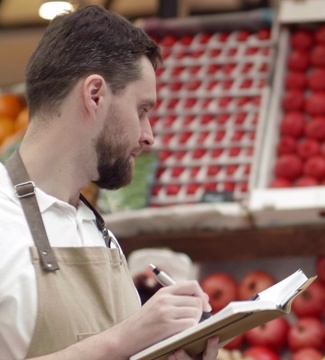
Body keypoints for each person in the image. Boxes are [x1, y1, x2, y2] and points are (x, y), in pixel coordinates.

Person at [0, 5, 219, 360]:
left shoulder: (97, 232)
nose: (149, 137)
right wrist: (122, 339)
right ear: (95, 95)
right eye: (142, 110)